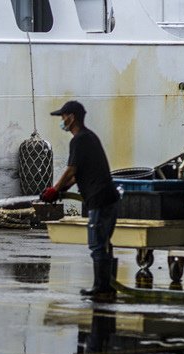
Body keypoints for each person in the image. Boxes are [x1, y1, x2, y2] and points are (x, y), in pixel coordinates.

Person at [40, 100, 120, 300]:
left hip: (99, 200)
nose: (61, 121)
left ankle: (102, 288)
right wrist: (61, 190)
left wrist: (53, 189)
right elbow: (78, 175)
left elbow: (71, 170)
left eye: (63, 116)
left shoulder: (79, 140)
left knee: (97, 244)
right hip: (108, 198)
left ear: (71, 117)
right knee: (104, 243)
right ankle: (107, 286)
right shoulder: (89, 137)